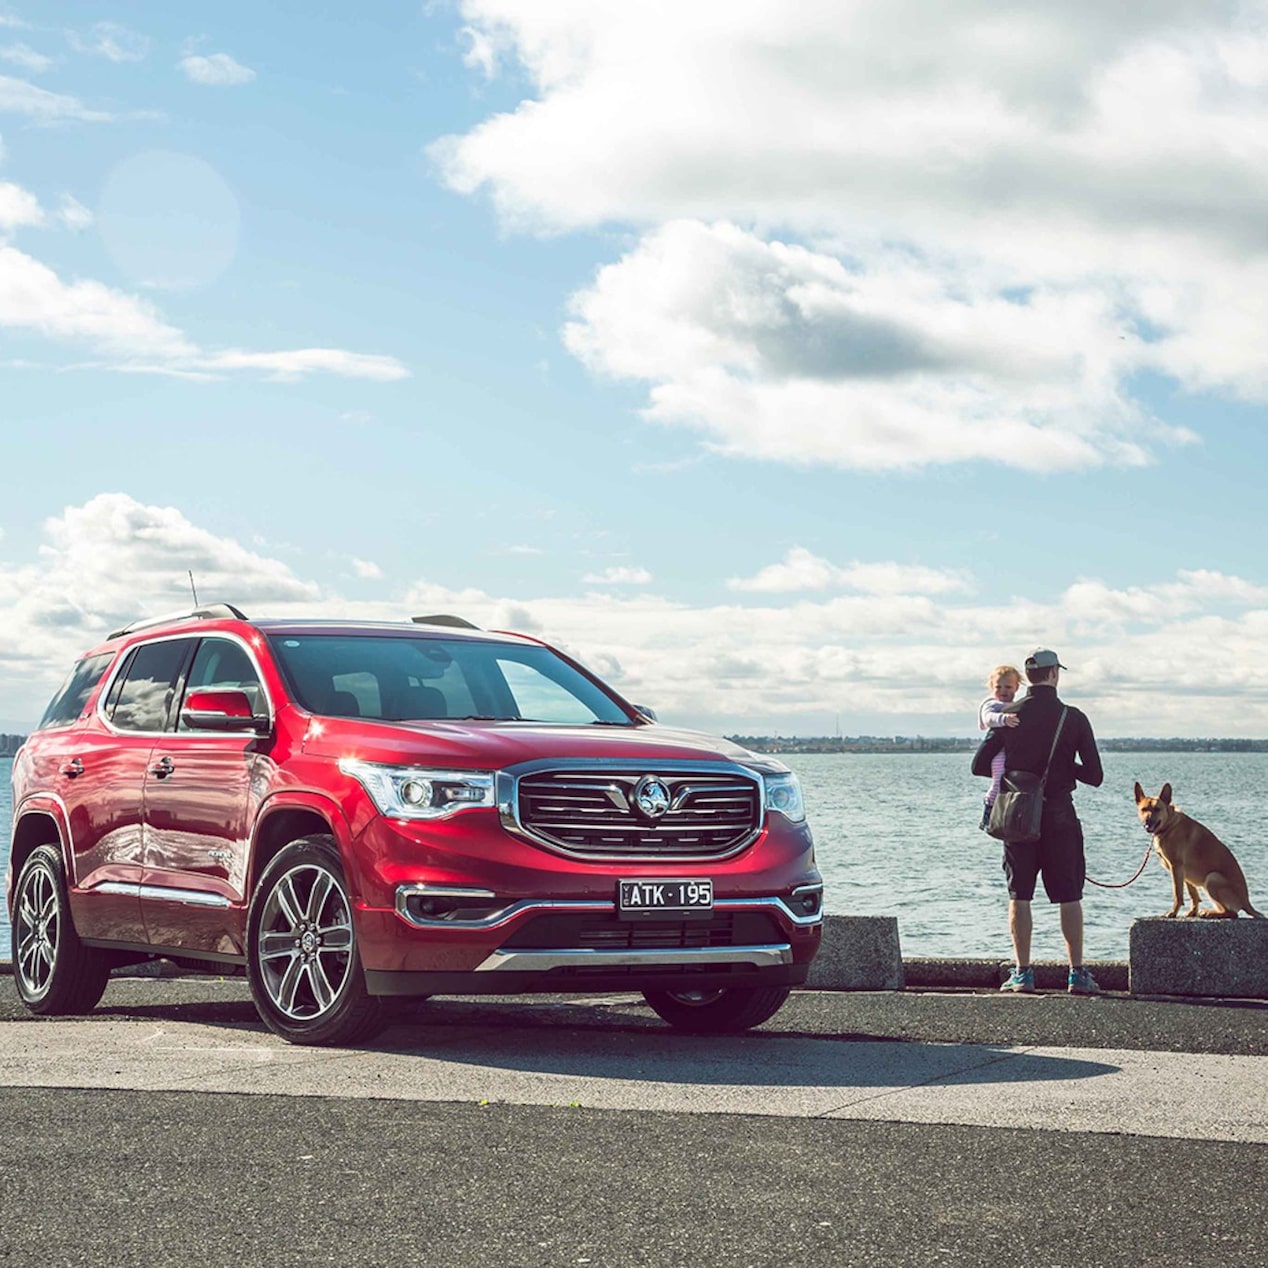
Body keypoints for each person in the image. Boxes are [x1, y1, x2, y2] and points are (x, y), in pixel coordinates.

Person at [972, 648, 1104, 995]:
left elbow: (978, 765)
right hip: (1060, 815)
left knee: (1020, 894)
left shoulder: (1007, 714)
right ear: (1055, 675)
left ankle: (1023, 973)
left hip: (1018, 815)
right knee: (1069, 895)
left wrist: (1019, 770)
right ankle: (1076, 974)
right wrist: (1062, 767)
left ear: (1027, 678)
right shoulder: (1073, 718)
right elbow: (1094, 775)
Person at [977, 664, 1024, 831]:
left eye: (1008, 687)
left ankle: (1004, 809)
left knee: (1008, 779)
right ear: (991, 687)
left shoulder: (1017, 704)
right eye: (998, 686)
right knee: (998, 779)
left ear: (1016, 687)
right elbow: (988, 718)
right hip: (998, 752)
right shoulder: (991, 704)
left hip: (1009, 750)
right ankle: (990, 806)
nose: (1003, 690)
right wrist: (1003, 719)